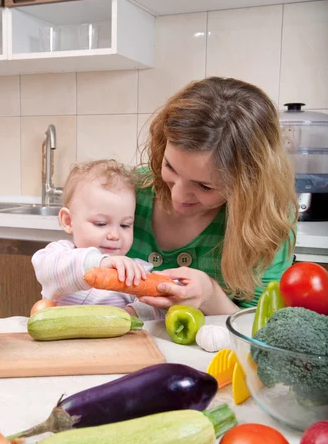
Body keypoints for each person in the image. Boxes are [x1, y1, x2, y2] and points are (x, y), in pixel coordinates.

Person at [127, 76, 298, 316]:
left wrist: (210, 297)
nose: (177, 195)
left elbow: (257, 326)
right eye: (170, 167)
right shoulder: (129, 190)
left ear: (249, 183)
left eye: (204, 186)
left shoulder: (267, 220)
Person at [32, 159, 156, 317]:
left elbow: (158, 305)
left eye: (125, 225)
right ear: (68, 221)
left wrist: (135, 312)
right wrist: (99, 262)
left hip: (114, 341)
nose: (114, 235)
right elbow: (45, 269)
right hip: (60, 342)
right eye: (101, 223)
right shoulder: (58, 254)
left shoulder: (135, 270)